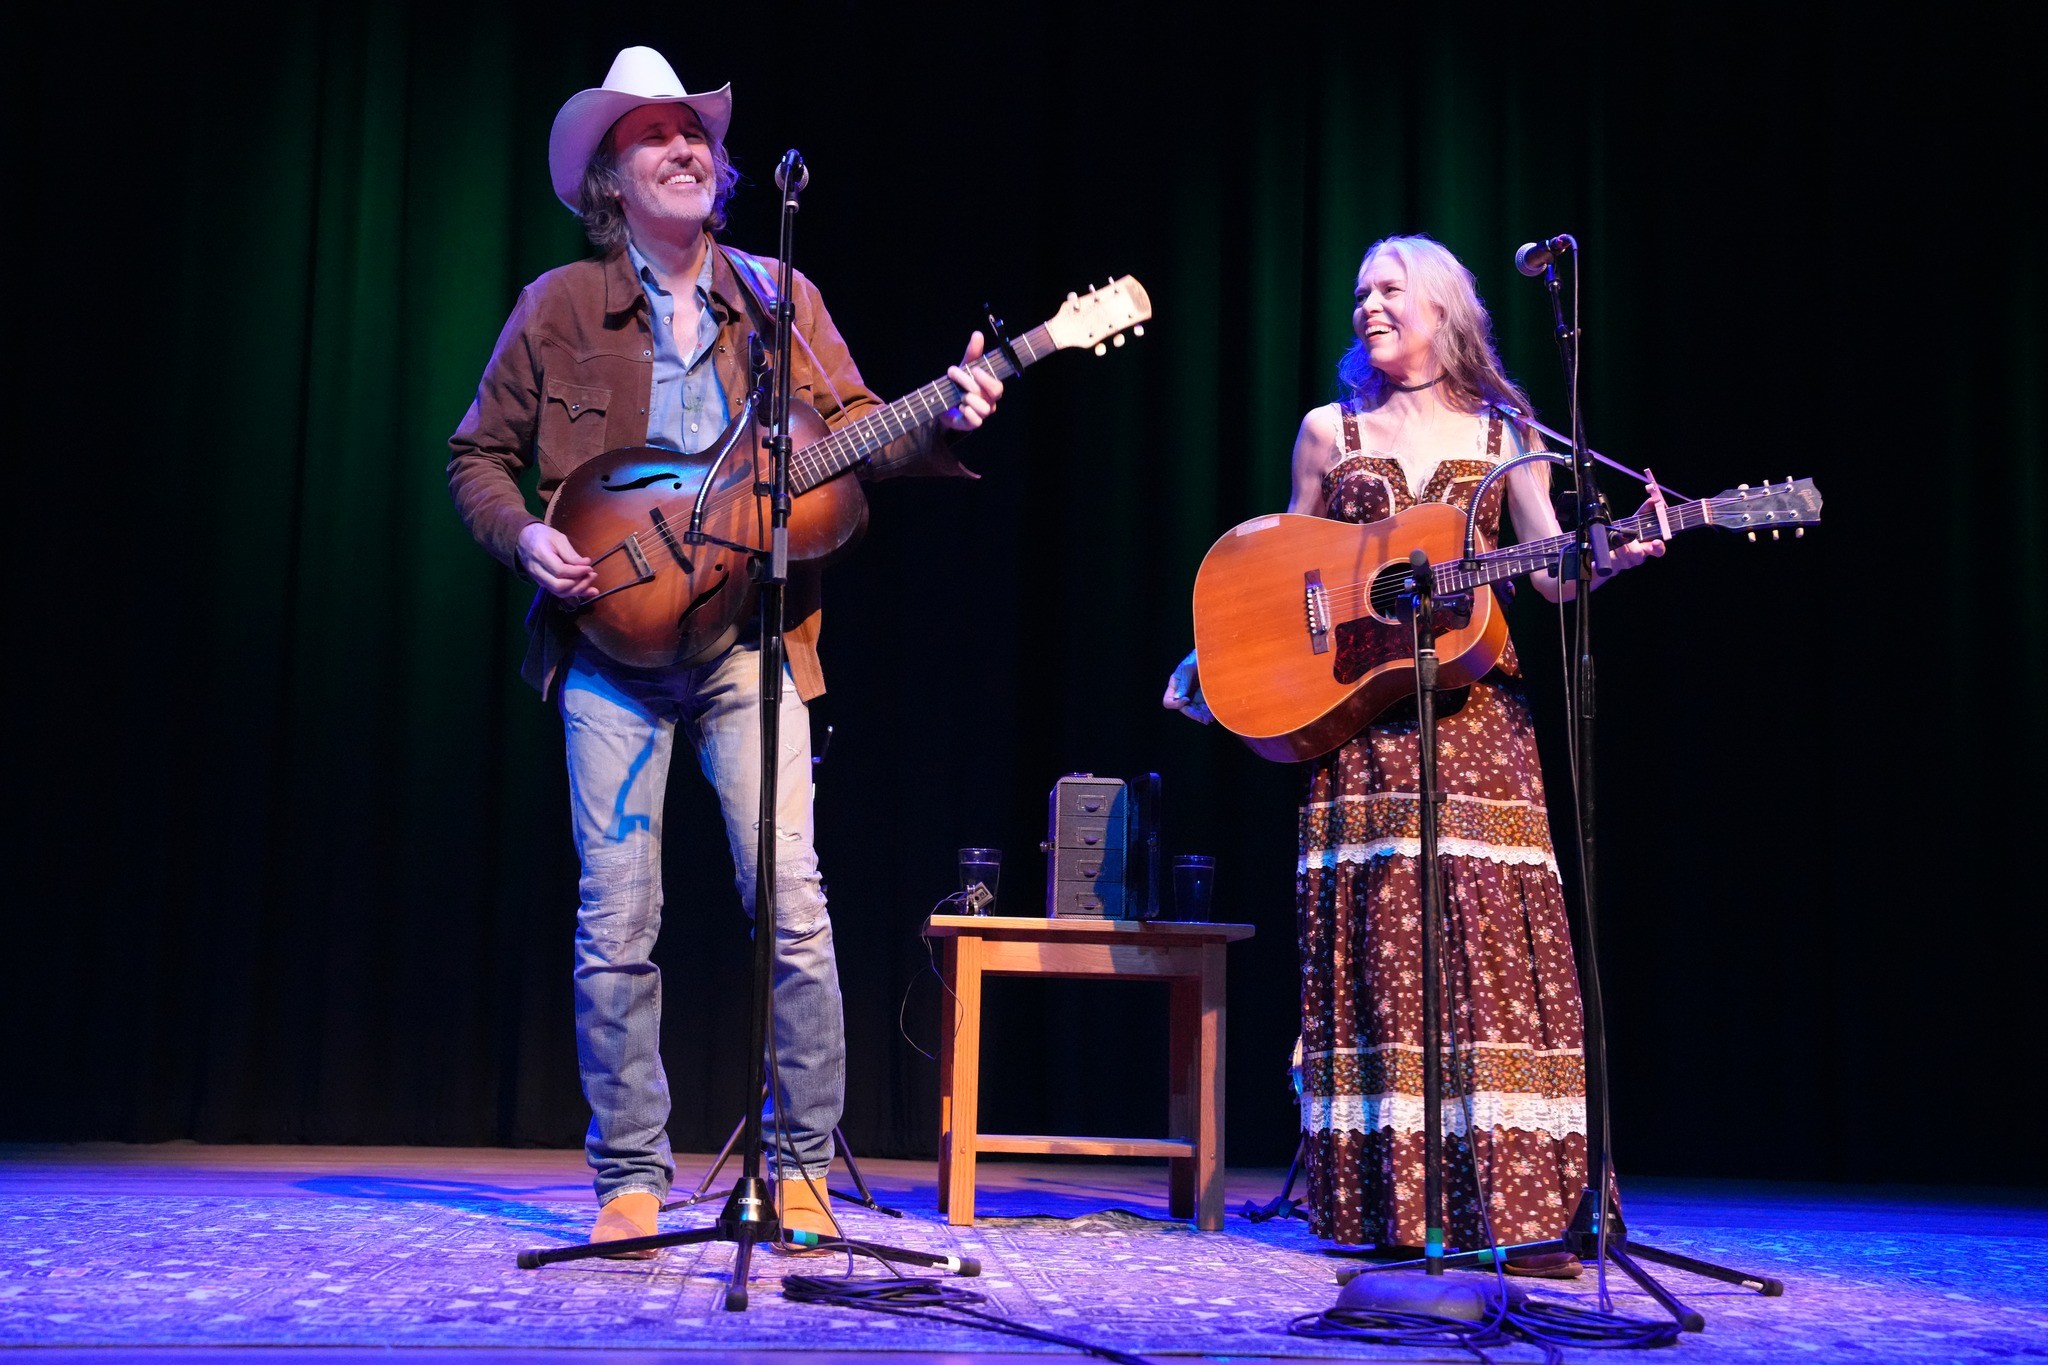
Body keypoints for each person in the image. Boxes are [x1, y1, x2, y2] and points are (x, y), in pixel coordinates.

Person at [447, 46, 1002, 1255]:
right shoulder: (557, 305)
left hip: (755, 639)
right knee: (618, 917)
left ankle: (801, 1167)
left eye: (695, 132)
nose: (686, 148)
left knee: (791, 902)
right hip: (606, 649)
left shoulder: (775, 297)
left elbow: (857, 434)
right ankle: (631, 1175)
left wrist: (946, 411)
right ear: (611, 175)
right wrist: (525, 542)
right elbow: (474, 459)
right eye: (655, 135)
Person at [1163, 234, 1660, 1256]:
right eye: (1359, 294)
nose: (1368, 306)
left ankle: (1516, 1210)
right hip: (1356, 735)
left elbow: (1548, 576)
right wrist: (1217, 659)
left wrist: (1610, 559)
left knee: (1482, 942)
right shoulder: (1325, 431)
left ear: (1441, 311)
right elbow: (1274, 565)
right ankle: (1387, 1208)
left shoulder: (1504, 429)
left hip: (1478, 728)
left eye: (1389, 290)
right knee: (1374, 945)